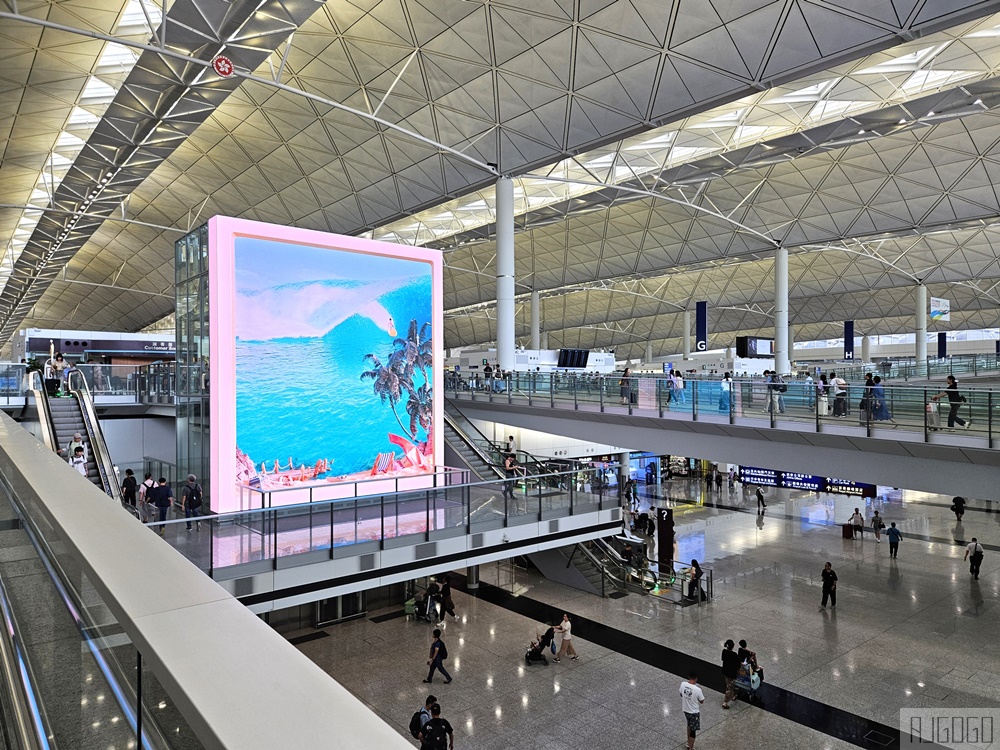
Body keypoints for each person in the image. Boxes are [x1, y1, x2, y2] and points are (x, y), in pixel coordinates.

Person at [679, 672, 705, 750]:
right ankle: (691, 747)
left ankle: (688, 742)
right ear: (696, 679)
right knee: (693, 730)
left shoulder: (683, 684)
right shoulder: (697, 689)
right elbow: (702, 701)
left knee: (689, 726)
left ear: (689, 677)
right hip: (694, 712)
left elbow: (681, 694)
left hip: (685, 710)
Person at [721, 639, 740, 709]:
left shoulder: (724, 651)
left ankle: (732, 695)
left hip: (725, 671)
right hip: (731, 672)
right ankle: (725, 702)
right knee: (729, 686)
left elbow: (722, 659)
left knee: (729, 684)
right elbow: (738, 664)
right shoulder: (734, 655)